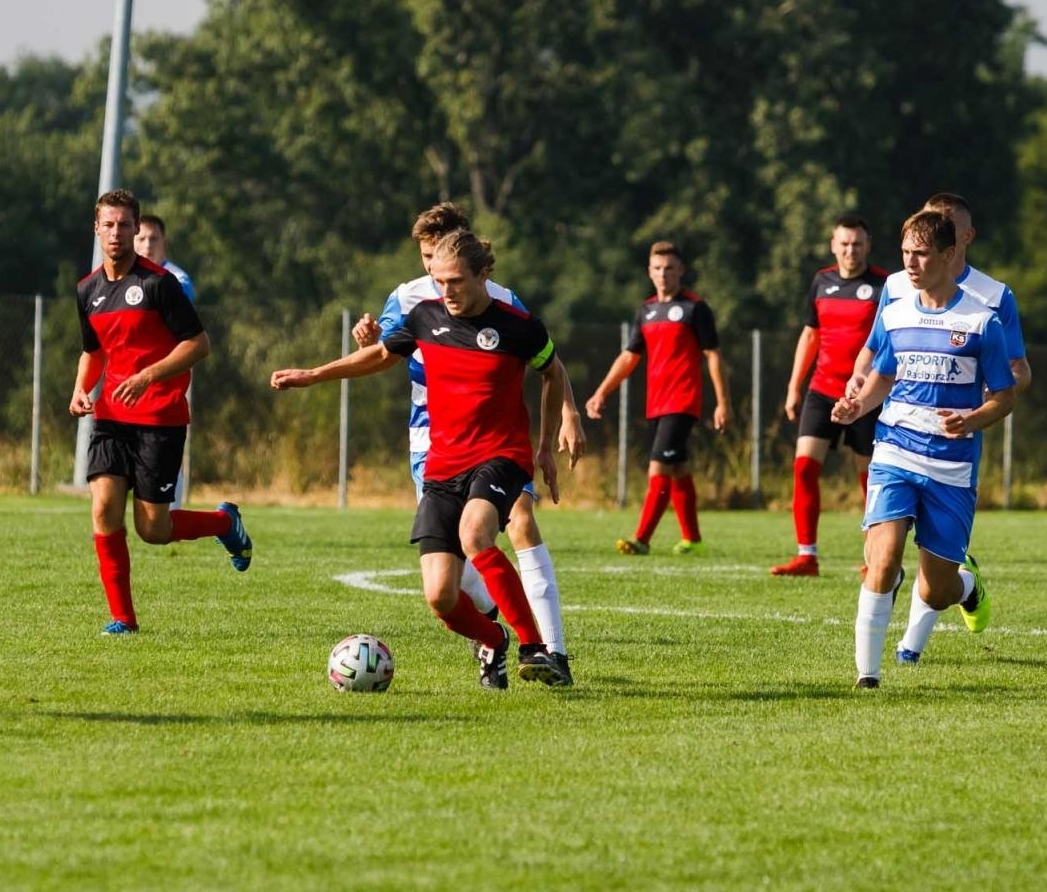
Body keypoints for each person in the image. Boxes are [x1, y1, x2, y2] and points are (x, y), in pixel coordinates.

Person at [273, 230, 570, 689]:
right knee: (440, 597)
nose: (446, 291)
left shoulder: (519, 326)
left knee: (475, 534)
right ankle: (494, 640)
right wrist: (313, 375)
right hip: (443, 464)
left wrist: (546, 444)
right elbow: (380, 355)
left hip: (500, 455)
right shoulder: (424, 317)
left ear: (483, 276)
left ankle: (535, 648)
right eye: (439, 280)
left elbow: (552, 372)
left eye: (456, 281)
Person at [351, 202, 585, 683]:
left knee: (515, 523)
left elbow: (546, 360)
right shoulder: (410, 297)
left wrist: (568, 413)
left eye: (439, 256)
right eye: (424, 258)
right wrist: (362, 343)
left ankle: (550, 651)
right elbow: (383, 353)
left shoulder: (503, 300)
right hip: (432, 439)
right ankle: (491, 633)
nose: (433, 271)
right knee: (453, 564)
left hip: (498, 440)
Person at [832, 209, 1015, 688]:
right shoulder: (895, 311)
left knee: (935, 591)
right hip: (895, 449)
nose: (910, 263)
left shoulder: (982, 322)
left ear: (949, 255)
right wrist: (858, 405)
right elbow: (883, 374)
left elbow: (1005, 394)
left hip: (951, 467)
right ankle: (867, 677)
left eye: (922, 254)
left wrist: (971, 419)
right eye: (905, 253)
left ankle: (967, 587)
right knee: (883, 558)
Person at [70, 189, 251, 636]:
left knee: (153, 529)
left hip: (159, 419)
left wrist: (148, 376)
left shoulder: (158, 285)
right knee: (103, 508)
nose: (116, 232)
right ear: (96, 229)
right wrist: (80, 389)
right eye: (108, 225)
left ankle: (224, 522)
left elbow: (198, 344)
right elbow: (93, 351)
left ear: (136, 229)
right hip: (111, 417)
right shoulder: (87, 290)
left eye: (124, 225)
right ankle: (123, 619)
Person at [585, 241, 729, 555]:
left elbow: (713, 355)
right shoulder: (646, 310)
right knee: (678, 469)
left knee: (658, 469)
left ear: (681, 271)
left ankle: (642, 540)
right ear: (649, 272)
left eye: (669, 268)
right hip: (656, 403)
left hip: (683, 401)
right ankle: (693, 540)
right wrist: (601, 392)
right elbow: (629, 357)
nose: (663, 274)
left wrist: (722, 403)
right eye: (658, 268)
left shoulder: (695, 308)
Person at [771, 214, 889, 577]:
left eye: (857, 244)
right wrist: (794, 386)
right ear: (833, 246)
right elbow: (810, 335)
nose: (851, 250)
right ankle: (806, 556)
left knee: (870, 476)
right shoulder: (821, 281)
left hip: (865, 396)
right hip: (821, 389)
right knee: (804, 466)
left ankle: (875, 557)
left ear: (867, 246)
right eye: (845, 244)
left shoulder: (885, 285)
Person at [133, 212, 196, 506]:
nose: (147, 245)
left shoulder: (177, 280)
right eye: (141, 238)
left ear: (164, 243)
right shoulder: (124, 275)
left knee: (165, 450)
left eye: (153, 239)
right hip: (129, 377)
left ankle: (173, 510)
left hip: (166, 379)